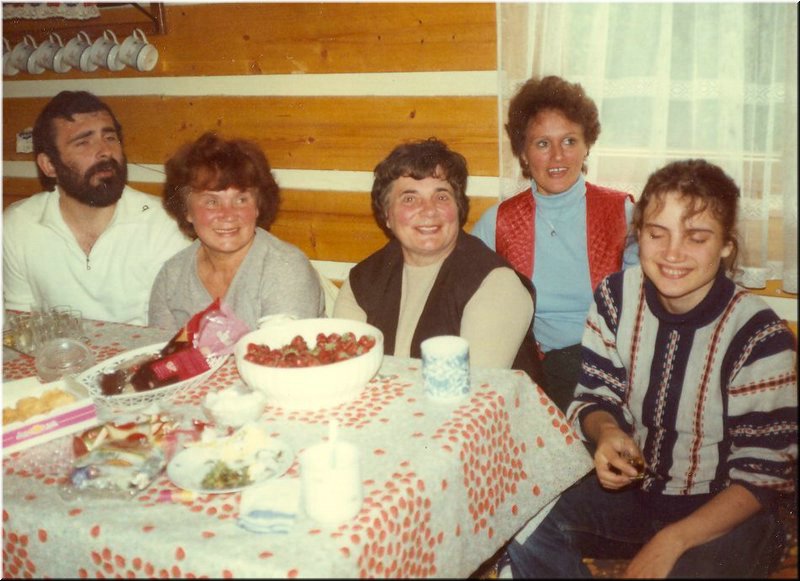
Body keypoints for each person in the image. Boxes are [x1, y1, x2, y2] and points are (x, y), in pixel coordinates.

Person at [505, 159, 797, 578]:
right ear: (638, 234)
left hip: (728, 511)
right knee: (518, 515)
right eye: (657, 234)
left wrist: (672, 541)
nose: (672, 254)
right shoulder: (615, 297)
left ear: (726, 246)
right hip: (637, 496)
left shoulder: (759, 335)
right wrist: (607, 432)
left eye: (697, 238)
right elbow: (593, 396)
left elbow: (764, 476)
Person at [471, 75, 639, 411]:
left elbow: (646, 305)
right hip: (539, 369)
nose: (558, 156)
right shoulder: (499, 222)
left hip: (616, 363)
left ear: (587, 145)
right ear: (523, 152)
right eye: (542, 144)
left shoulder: (622, 213)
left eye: (569, 141)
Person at [333, 138, 544, 383]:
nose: (429, 210)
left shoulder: (497, 285)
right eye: (409, 198)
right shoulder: (362, 281)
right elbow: (345, 373)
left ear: (458, 208)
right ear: (387, 215)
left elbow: (468, 390)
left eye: (441, 197)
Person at [3, 90, 191, 326]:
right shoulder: (18, 225)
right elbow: (22, 323)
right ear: (49, 165)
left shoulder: (163, 223)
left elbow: (174, 330)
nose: (105, 151)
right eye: (83, 142)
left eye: (110, 138)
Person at [148, 132, 324, 332]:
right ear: (186, 210)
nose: (228, 214)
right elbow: (161, 348)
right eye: (211, 202)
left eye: (241, 200)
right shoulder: (172, 275)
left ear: (257, 207)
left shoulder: (285, 267)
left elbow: (282, 349)